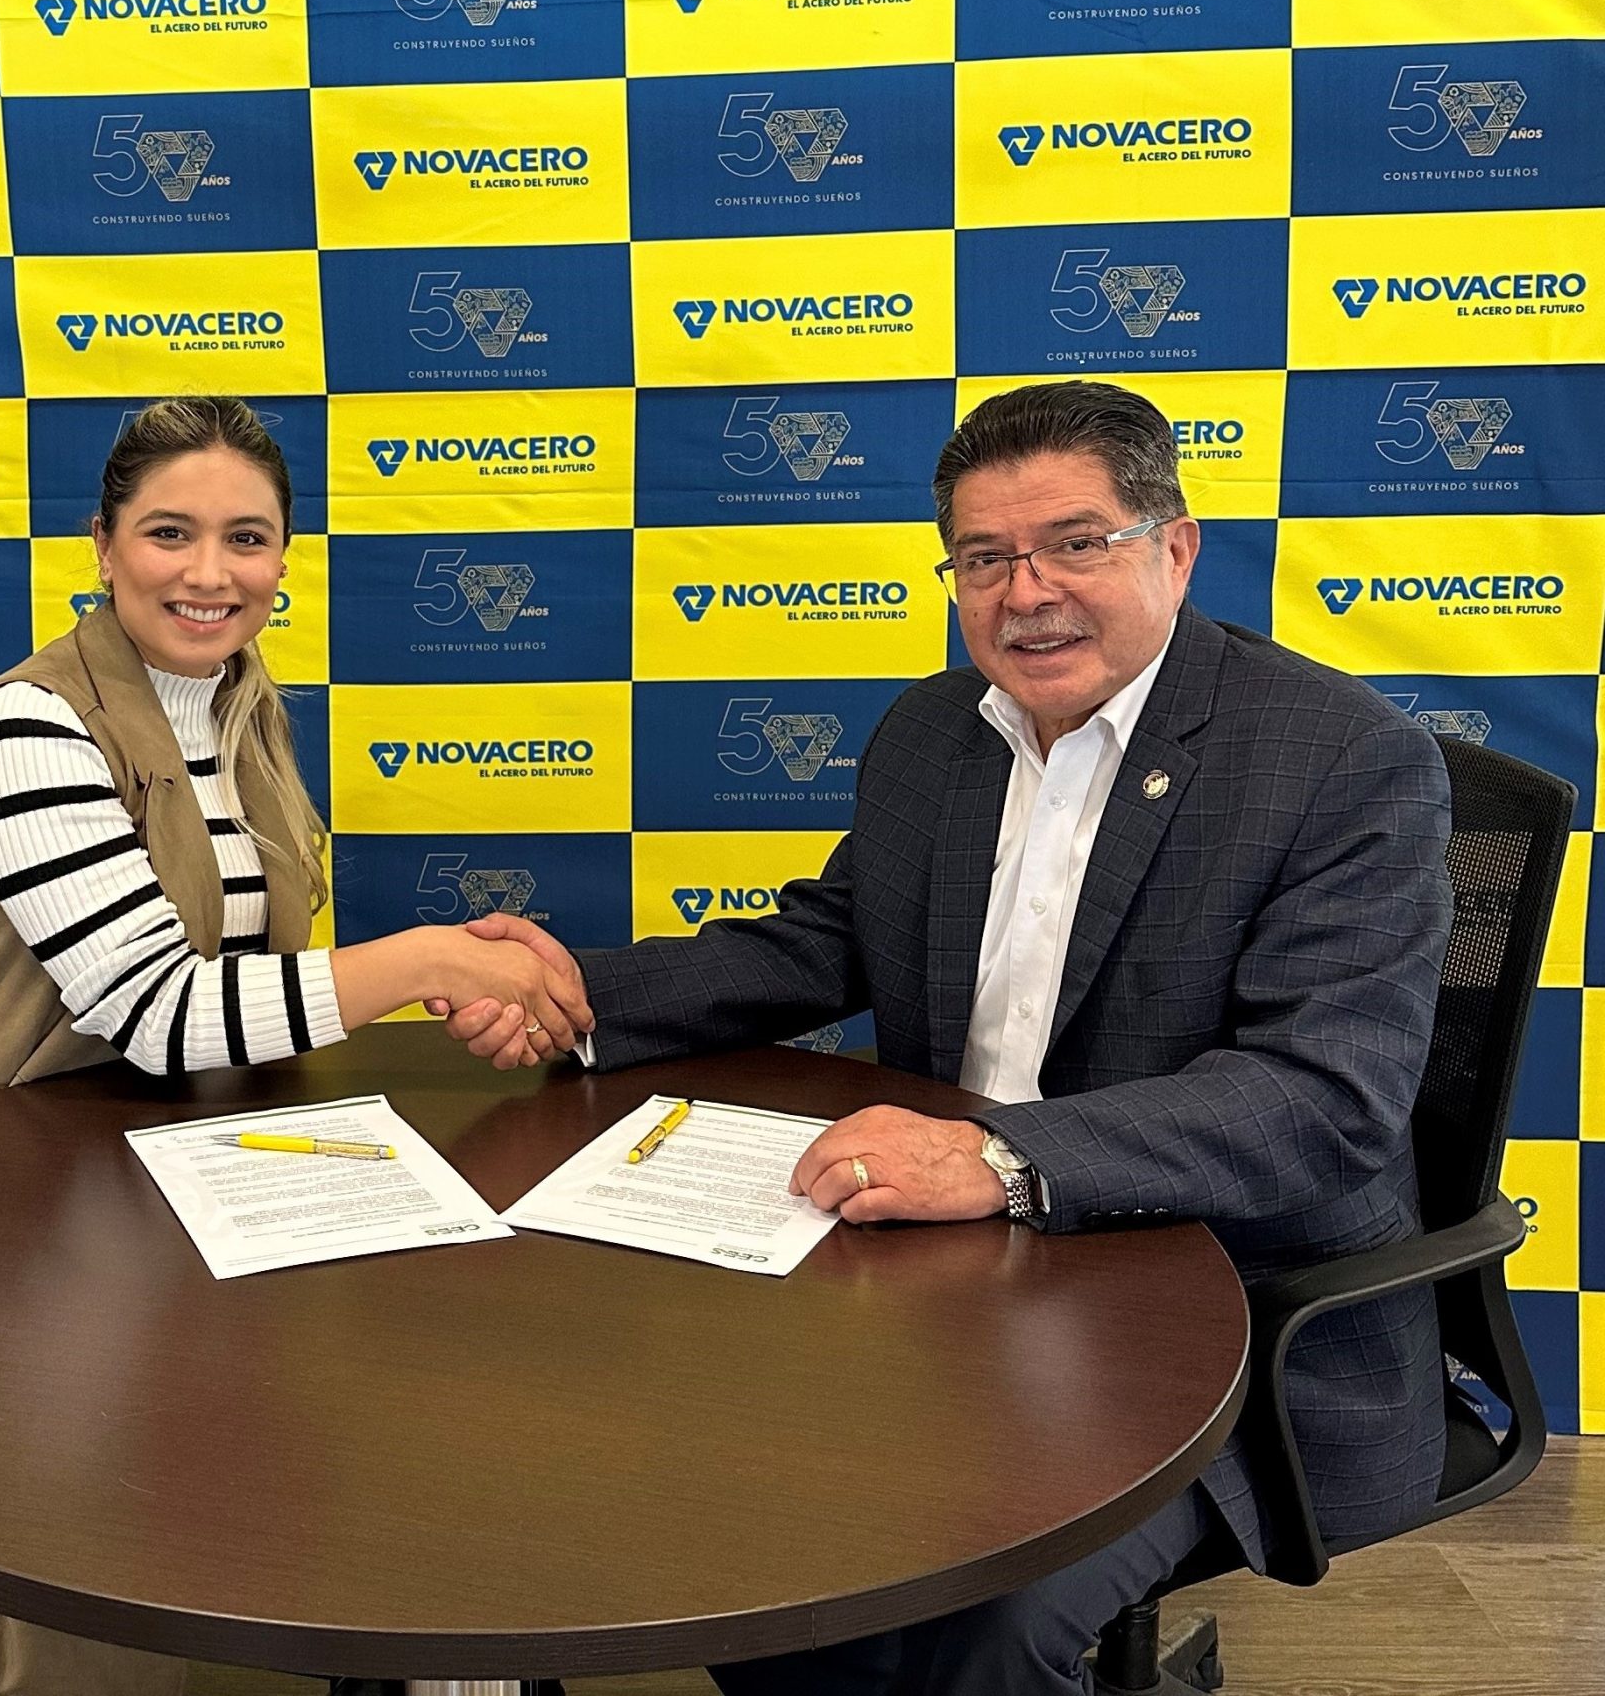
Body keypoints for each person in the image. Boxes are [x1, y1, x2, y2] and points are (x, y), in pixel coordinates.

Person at [444, 380, 1453, 1696]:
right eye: (984, 559)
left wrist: (998, 1159)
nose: (1027, 593)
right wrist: (581, 993)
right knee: (743, 1526)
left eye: (1075, 543)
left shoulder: (1343, 759)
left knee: (980, 1622)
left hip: (1224, 1320)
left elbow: (1323, 1099)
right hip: (950, 1286)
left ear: (1175, 547)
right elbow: (828, 941)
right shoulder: (936, 731)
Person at [0, 393, 586, 1696]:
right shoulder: (25, 733)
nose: (211, 573)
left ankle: (435, 1641)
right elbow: (158, 1012)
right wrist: (429, 965)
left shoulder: (234, 702)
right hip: (30, 1167)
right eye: (170, 532)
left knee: (457, 1341)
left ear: (283, 557)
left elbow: (252, 969)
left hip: (191, 1132)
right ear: (103, 544)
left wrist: (451, 978)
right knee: (117, 1534)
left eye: (248, 538)